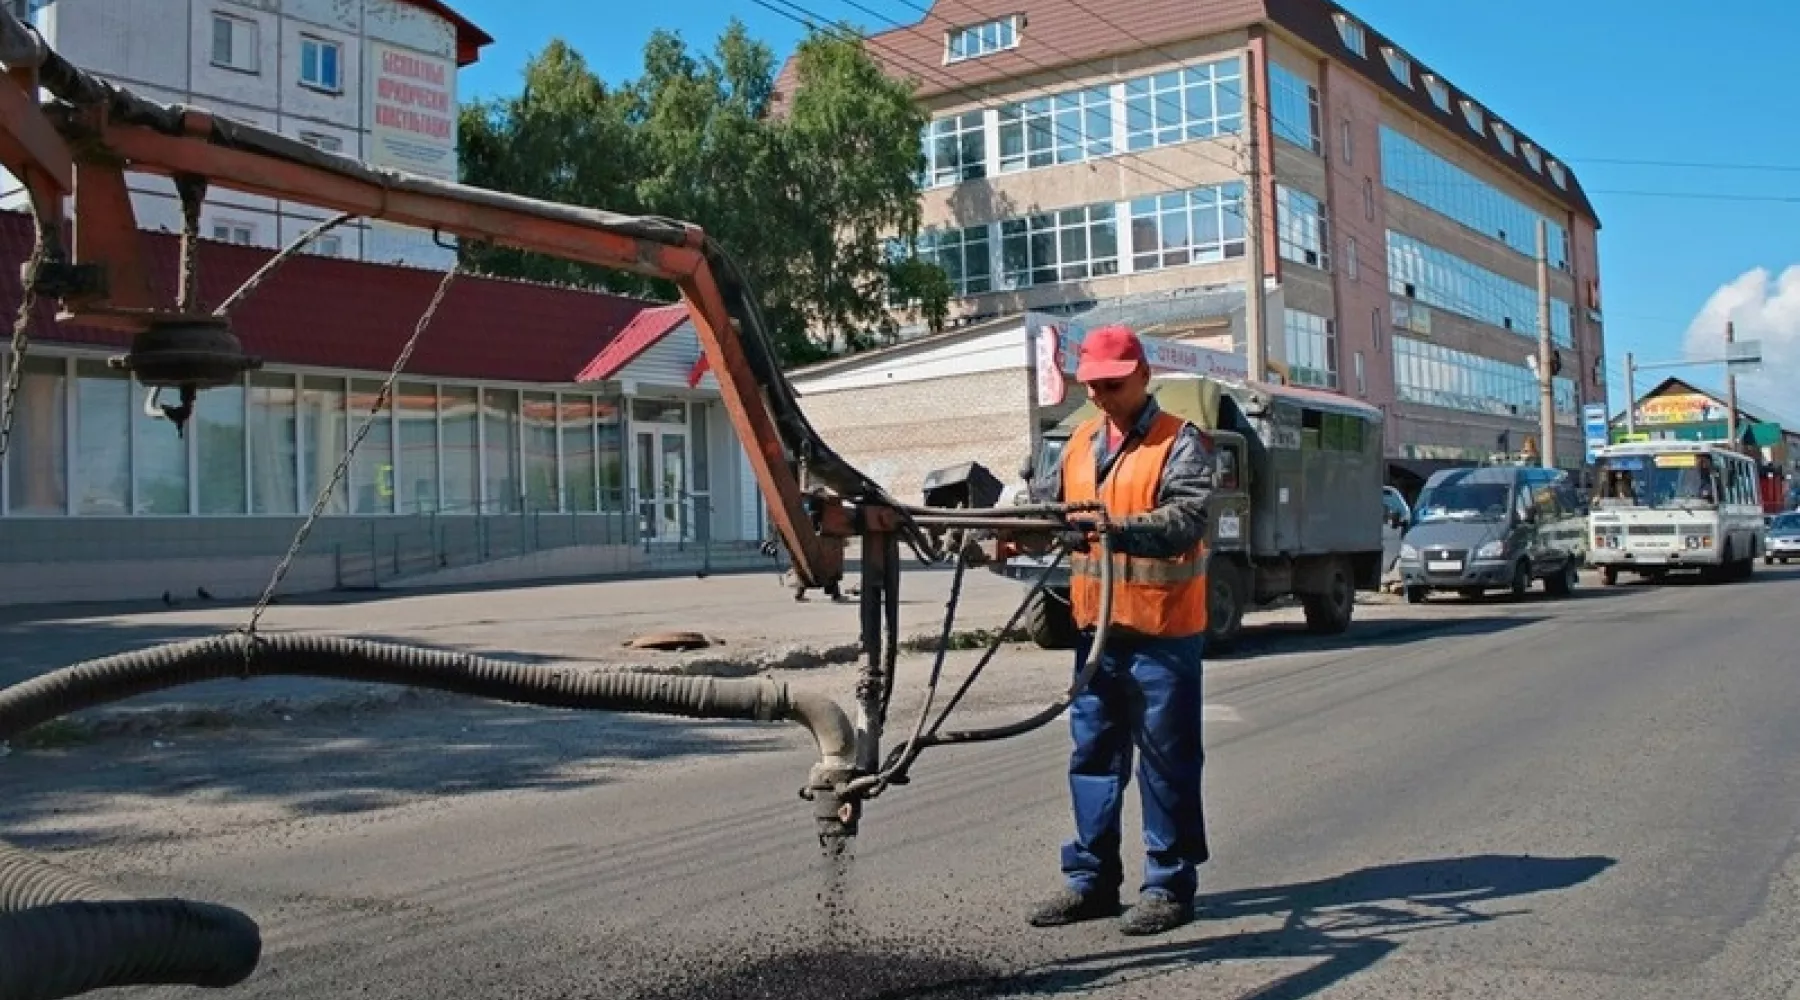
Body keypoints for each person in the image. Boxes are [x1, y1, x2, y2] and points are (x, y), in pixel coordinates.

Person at [1024, 324, 1215, 937]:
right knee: (1094, 757)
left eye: (1113, 384)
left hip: (1162, 634)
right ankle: (1092, 880)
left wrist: (1114, 528)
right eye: (1093, 385)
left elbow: (1186, 518)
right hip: (1095, 635)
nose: (1102, 396)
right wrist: (1010, 521)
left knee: (1166, 761)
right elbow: (1048, 510)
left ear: (1143, 375)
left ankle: (1167, 883)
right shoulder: (1079, 443)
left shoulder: (1180, 443)